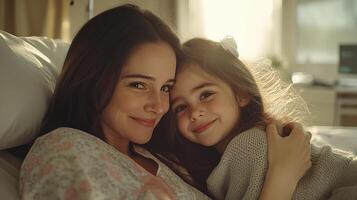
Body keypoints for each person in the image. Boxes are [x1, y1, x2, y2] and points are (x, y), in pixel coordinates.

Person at [19, 4, 210, 199]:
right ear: (94, 78)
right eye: (138, 85)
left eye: (165, 88)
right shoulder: (64, 147)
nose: (160, 106)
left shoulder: (165, 159)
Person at [167, 37, 357, 200]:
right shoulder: (235, 149)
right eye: (181, 107)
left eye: (206, 94)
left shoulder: (248, 145)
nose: (194, 112)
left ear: (241, 93)